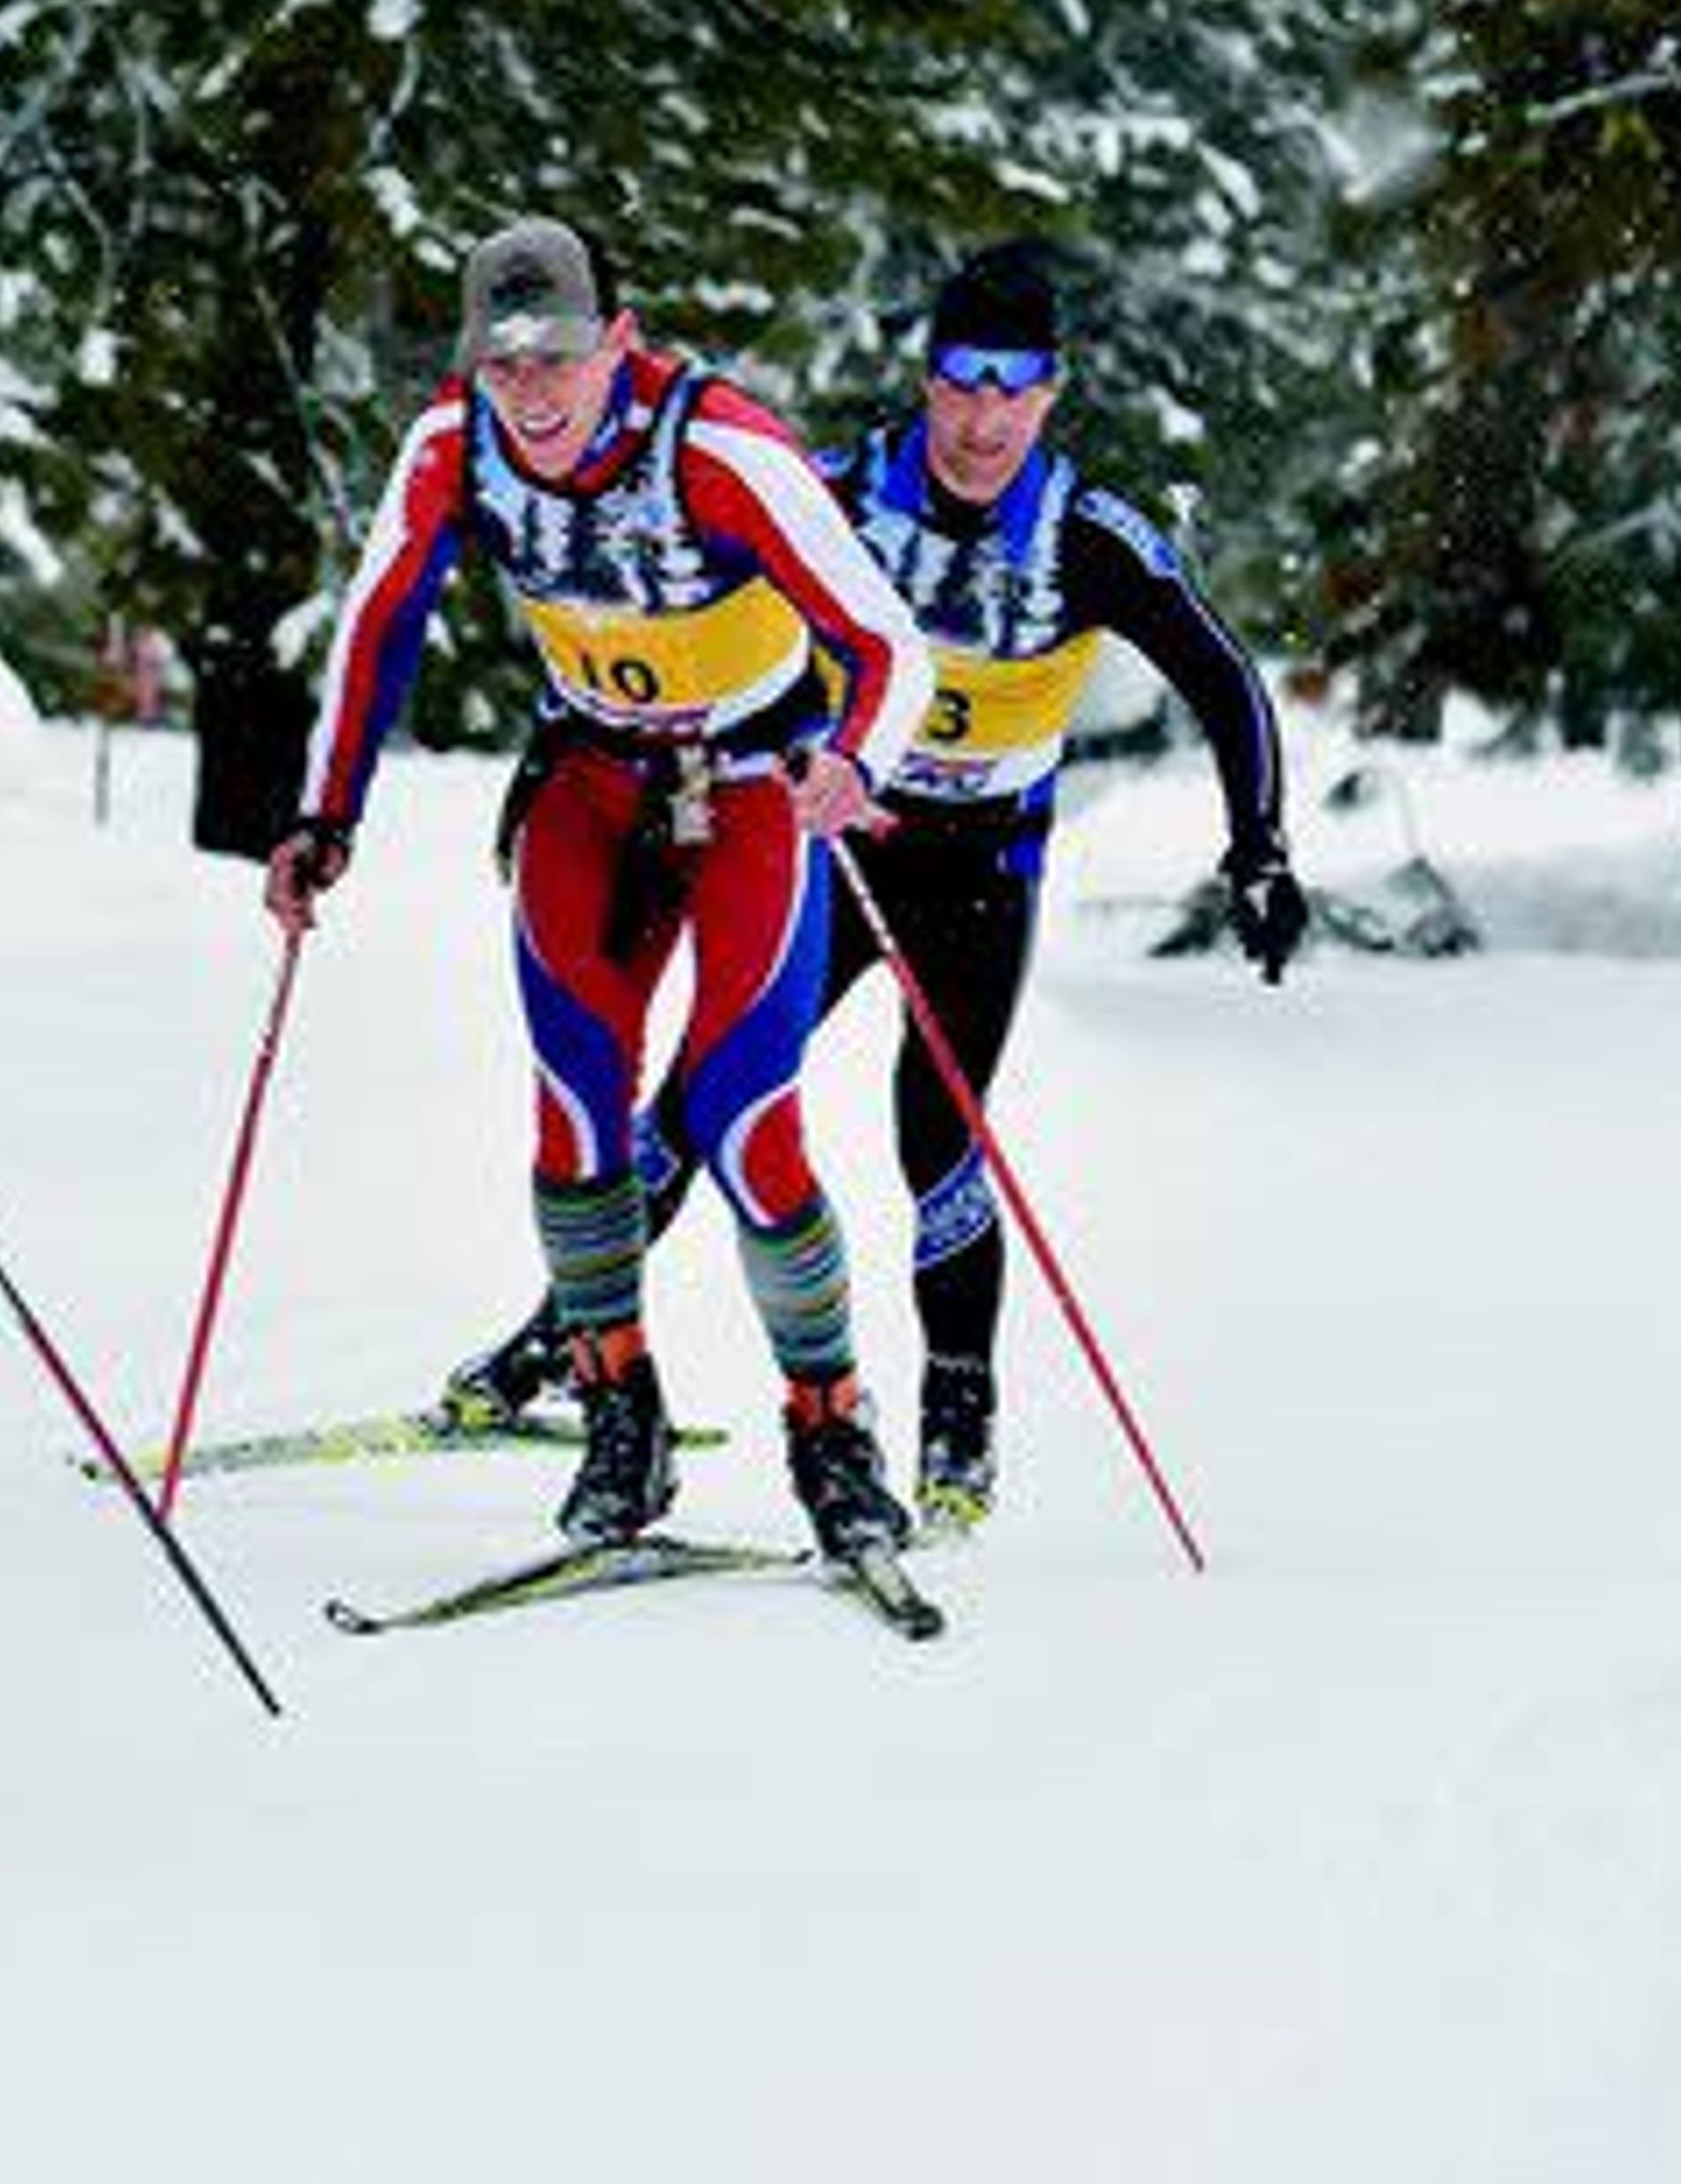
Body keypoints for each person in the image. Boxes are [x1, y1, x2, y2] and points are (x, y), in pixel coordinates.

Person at [445, 241, 1303, 1536]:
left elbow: (1227, 679)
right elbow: (656, 632)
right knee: (703, 1099)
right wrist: (565, 739)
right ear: (930, 377)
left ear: (1052, 394)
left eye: (1013, 389)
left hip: (981, 864)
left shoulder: (1089, 536)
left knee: (938, 1132)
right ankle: (569, 1340)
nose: (981, 418)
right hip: (834, 843)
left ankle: (959, 1407)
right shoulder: (837, 489)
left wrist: (1262, 848)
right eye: (961, 381)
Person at [269, 216, 937, 1565]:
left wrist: (855, 759)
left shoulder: (721, 444)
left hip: (751, 785)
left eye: (558, 354)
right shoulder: (455, 444)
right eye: (501, 361)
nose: (533, 388)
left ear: (616, 341)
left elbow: (890, 644)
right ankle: (616, 1402)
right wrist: (322, 817)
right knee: (574, 1108)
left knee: (748, 1117)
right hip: (592, 786)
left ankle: (830, 1420)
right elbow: (379, 621)